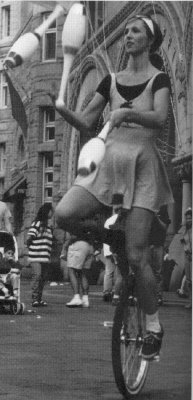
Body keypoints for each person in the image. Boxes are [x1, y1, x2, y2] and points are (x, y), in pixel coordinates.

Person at [51, 14, 174, 360]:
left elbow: (162, 118)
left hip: (142, 166)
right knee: (64, 214)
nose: (128, 34)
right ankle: (110, 237)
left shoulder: (158, 78)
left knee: (136, 257)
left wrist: (127, 115)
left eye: (135, 30)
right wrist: (64, 111)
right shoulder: (110, 79)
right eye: (128, 30)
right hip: (106, 165)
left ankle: (153, 325)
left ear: (149, 40)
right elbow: (88, 121)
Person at [27, 203, 53, 307]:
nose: (52, 213)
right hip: (35, 256)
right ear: (47, 212)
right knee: (37, 276)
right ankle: (34, 299)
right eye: (51, 211)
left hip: (45, 257)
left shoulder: (48, 227)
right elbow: (29, 237)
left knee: (43, 278)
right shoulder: (37, 224)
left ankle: (39, 298)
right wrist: (30, 247)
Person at [62, 233, 95, 308]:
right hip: (89, 246)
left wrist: (65, 246)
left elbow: (73, 236)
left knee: (71, 271)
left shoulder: (77, 224)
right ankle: (85, 299)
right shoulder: (91, 223)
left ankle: (76, 297)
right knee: (83, 273)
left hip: (78, 245)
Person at [149, 206, 171, 306]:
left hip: (158, 245)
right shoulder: (147, 207)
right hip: (147, 245)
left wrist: (156, 218)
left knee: (158, 271)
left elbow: (165, 227)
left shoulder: (162, 209)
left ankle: (158, 296)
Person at [103, 213, 122, 305]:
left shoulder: (108, 220)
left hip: (108, 248)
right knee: (119, 273)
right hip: (117, 249)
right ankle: (116, 292)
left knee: (109, 272)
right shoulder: (120, 220)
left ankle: (107, 292)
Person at [180, 207, 192, 309]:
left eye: (190, 218)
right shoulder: (186, 230)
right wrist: (186, 250)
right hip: (188, 257)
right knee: (189, 280)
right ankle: (190, 300)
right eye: (187, 218)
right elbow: (182, 241)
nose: (188, 220)